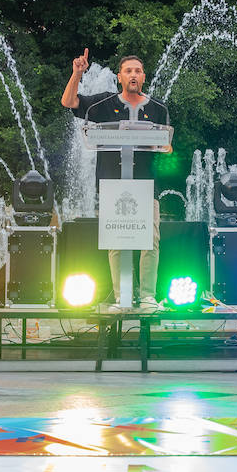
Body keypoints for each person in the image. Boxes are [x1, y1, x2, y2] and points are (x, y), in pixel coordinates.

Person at [61, 49, 171, 310]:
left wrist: (167, 148)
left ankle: (146, 297)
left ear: (144, 77)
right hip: (113, 185)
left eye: (138, 71)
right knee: (117, 240)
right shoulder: (102, 104)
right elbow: (69, 102)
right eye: (128, 71)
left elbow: (167, 145)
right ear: (120, 77)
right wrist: (77, 74)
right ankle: (122, 297)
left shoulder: (157, 109)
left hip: (146, 185)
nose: (133, 75)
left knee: (150, 241)